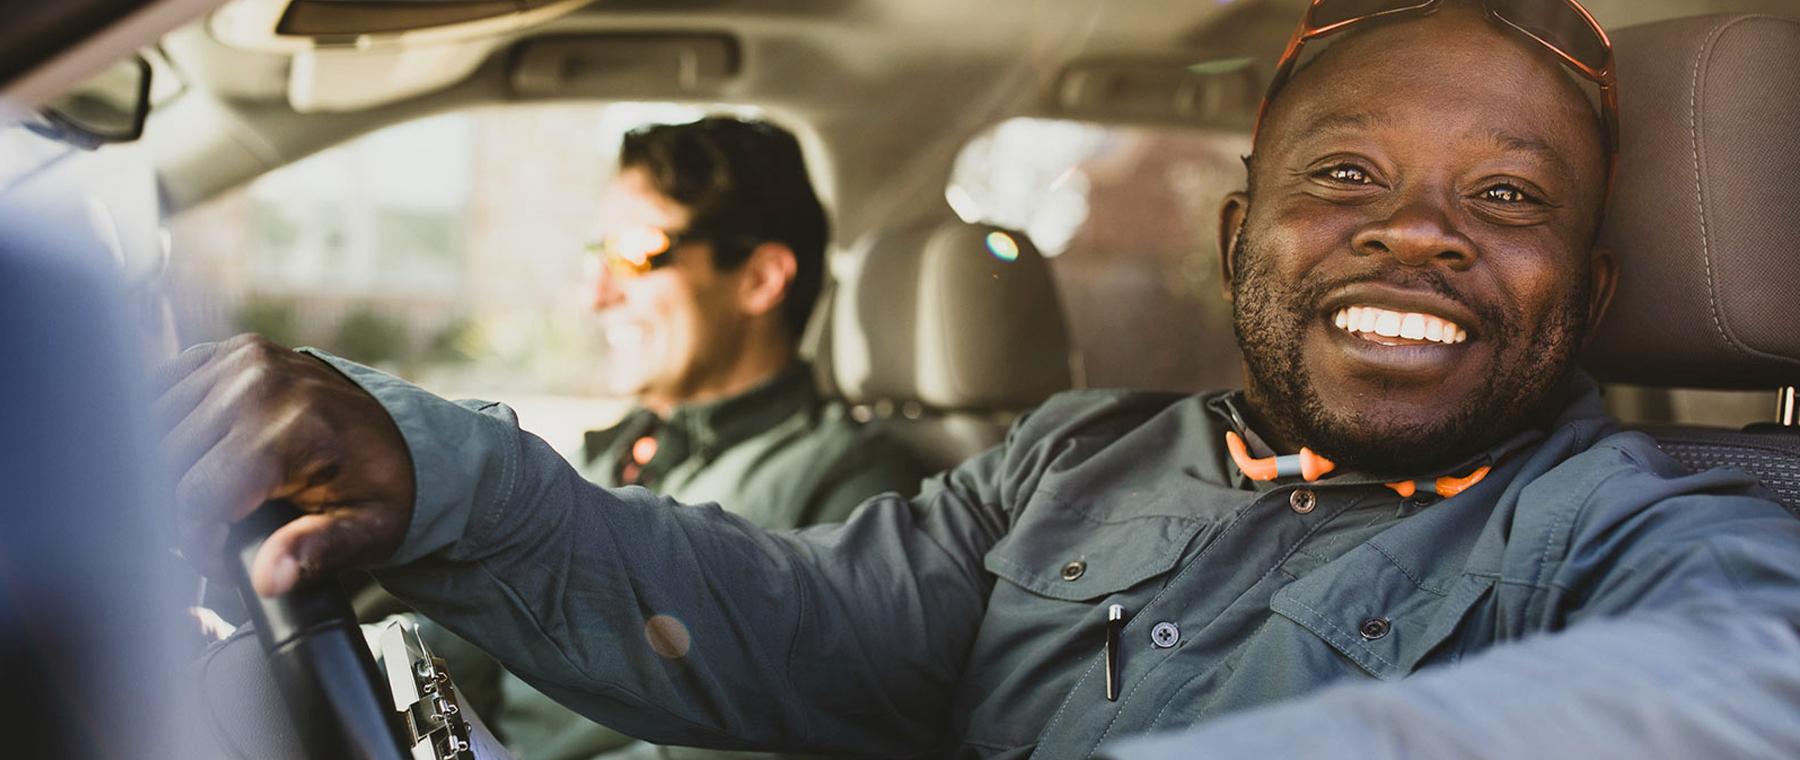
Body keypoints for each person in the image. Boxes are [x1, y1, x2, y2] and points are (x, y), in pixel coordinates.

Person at [158, 2, 1800, 758]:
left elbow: (1746, 677)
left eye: (1505, 199)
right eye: (1347, 178)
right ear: (1245, 234)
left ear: (1583, 296)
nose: (1422, 238)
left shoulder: (1652, 525)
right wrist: (435, 469)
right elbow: (796, 630)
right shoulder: (1079, 458)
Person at [424, 117, 929, 760]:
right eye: (596, 258)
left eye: (636, 252)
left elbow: (783, 737)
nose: (598, 294)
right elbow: (474, 639)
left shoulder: (849, 487)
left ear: (760, 278)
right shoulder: (601, 455)